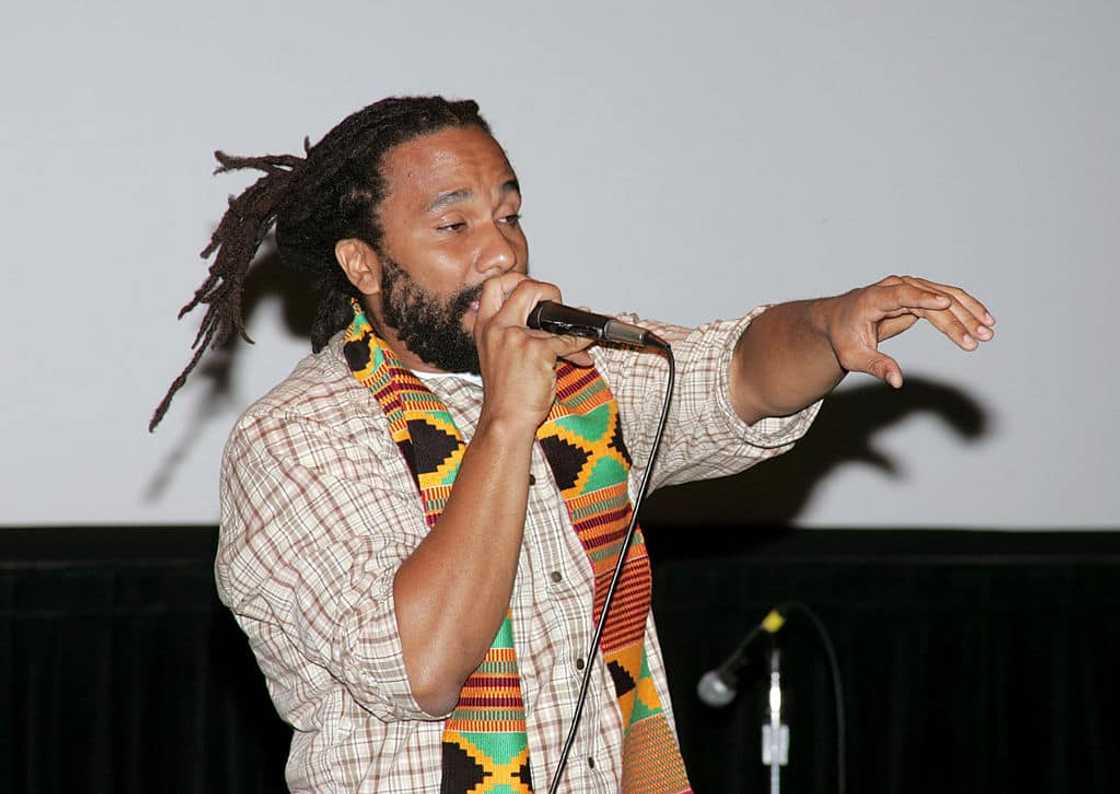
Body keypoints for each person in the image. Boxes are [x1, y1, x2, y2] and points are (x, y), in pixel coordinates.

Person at [152, 96, 995, 793]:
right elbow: (423, 666)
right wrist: (509, 421)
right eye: (454, 226)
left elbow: (730, 372)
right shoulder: (297, 439)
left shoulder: (581, 381)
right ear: (363, 266)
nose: (502, 248)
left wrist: (827, 326)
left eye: (510, 214)